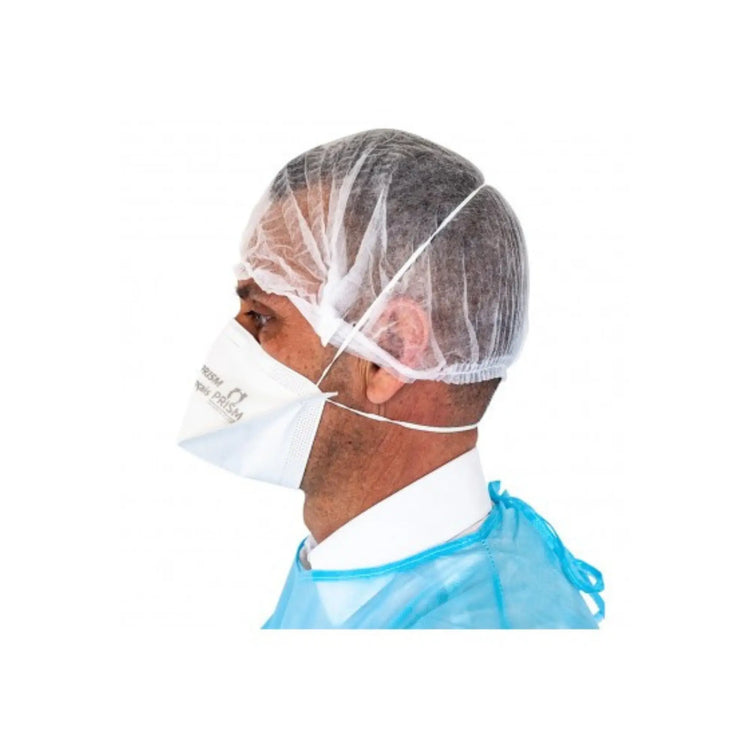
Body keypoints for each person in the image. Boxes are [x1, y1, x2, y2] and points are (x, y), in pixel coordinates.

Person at [177, 129, 605, 629]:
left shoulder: (482, 627)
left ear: (391, 352)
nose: (235, 339)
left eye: (263, 315)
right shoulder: (355, 571)